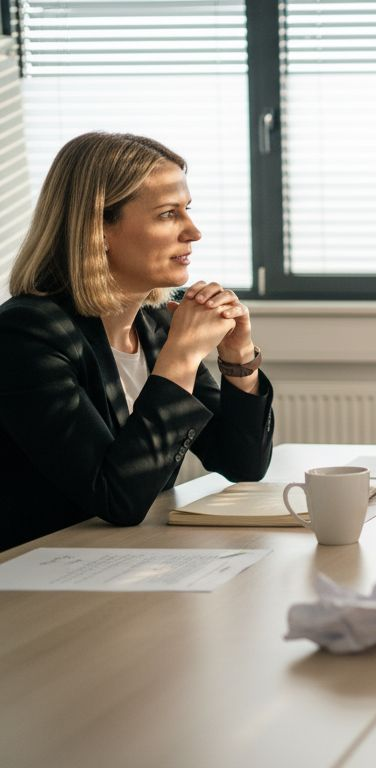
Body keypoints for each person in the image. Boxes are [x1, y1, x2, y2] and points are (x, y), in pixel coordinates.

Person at [0, 132, 275, 551]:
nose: (193, 232)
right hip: (37, 572)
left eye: (187, 210)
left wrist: (238, 359)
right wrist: (182, 357)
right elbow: (117, 499)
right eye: (167, 214)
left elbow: (243, 463)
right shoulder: (27, 334)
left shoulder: (154, 326)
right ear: (98, 229)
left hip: (126, 559)